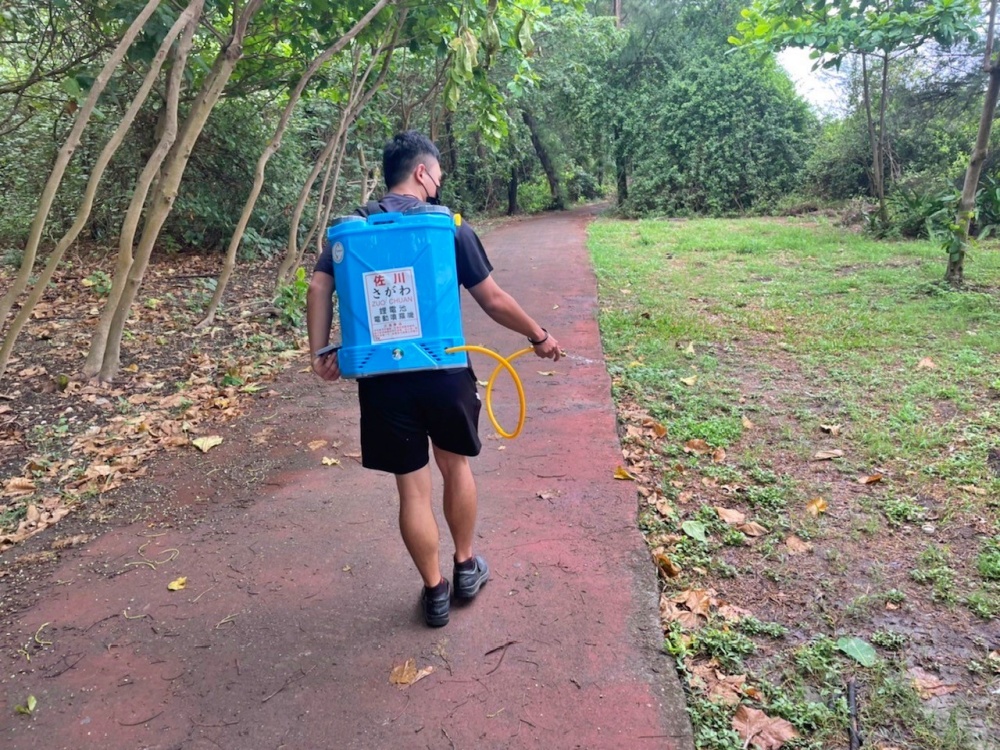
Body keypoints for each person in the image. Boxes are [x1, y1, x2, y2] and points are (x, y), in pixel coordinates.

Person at [307, 131, 560, 627]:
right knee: (455, 467)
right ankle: (466, 567)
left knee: (412, 489)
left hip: (382, 379)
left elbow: (319, 286)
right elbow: (493, 299)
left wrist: (320, 353)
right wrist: (538, 335)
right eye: (437, 173)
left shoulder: (352, 228)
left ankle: (435, 592)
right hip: (445, 372)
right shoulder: (448, 228)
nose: (439, 182)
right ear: (422, 172)